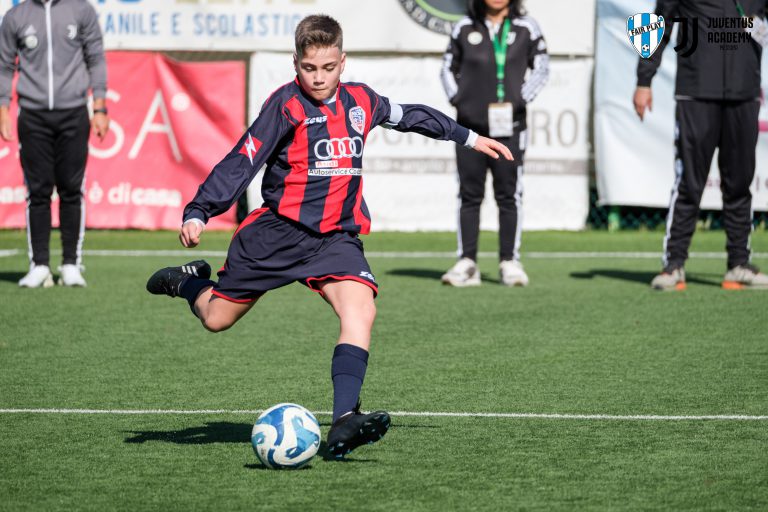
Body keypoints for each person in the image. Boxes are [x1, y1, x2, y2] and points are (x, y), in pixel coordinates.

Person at [145, 15, 512, 459]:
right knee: (216, 318)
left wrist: (468, 137)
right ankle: (186, 282)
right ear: (295, 64)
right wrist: (200, 210)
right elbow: (244, 158)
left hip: (335, 239)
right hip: (276, 236)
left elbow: (411, 116)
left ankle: (343, 420)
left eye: (328, 67)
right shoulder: (285, 106)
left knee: (361, 309)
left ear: (343, 61)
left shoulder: (362, 101)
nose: (318, 78)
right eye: (309, 68)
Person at [634, 0, 768, 290]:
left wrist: (755, 24)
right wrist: (644, 80)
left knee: (740, 184)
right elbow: (658, 22)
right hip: (696, 93)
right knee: (689, 184)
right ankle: (673, 265)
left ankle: (739, 264)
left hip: (744, 93)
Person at [0, 0, 109, 288]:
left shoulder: (81, 10)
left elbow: (96, 58)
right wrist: (2, 108)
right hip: (32, 115)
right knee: (38, 192)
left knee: (71, 189)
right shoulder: (16, 16)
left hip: (74, 113)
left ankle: (71, 264)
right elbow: (4, 65)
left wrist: (100, 107)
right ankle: (39, 265)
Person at [440, 0, 548, 287]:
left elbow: (542, 67)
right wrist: (459, 100)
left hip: (509, 128)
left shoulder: (526, 27)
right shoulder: (464, 27)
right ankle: (467, 262)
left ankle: (509, 261)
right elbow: (447, 68)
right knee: (469, 194)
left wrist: (519, 100)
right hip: (469, 129)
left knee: (508, 194)